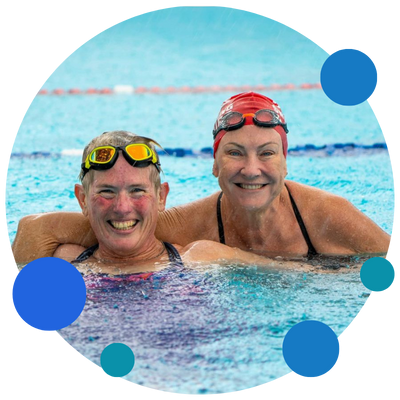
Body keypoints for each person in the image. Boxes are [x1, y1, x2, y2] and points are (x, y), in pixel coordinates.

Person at [10, 93, 393, 264]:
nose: (251, 169)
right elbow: (119, 225)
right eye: (235, 153)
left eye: (266, 153)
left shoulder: (328, 215)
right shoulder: (191, 226)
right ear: (214, 164)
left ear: (285, 162)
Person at [14, 130, 283, 274]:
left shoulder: (203, 259)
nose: (122, 207)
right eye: (106, 192)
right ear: (82, 199)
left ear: (161, 197)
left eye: (137, 191)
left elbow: (294, 274)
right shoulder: (63, 265)